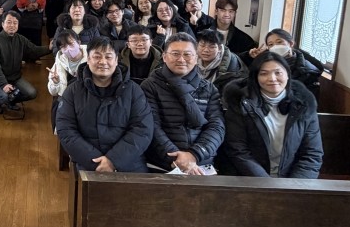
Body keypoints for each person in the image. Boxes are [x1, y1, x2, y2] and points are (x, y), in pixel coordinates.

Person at [56, 37, 154, 173]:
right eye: (97, 57)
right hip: (89, 162)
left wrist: (113, 160)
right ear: (88, 60)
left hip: (129, 161)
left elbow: (143, 130)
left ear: (116, 60)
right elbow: (66, 130)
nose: (103, 62)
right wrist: (96, 162)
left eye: (108, 57)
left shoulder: (133, 90)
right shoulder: (73, 91)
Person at [223, 52, 323, 178]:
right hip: (252, 179)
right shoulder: (240, 103)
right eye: (264, 73)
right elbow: (238, 151)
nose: (272, 78)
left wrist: (295, 187)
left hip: (292, 181)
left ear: (288, 75)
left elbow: (312, 154)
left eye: (278, 72)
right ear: (255, 77)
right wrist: (267, 185)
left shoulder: (304, 104)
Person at [141, 33, 225, 173]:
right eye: (175, 54)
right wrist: (178, 159)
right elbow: (152, 126)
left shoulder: (208, 88)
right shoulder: (150, 86)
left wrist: (194, 154)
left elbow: (217, 127)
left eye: (187, 54)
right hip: (162, 163)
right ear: (164, 56)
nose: (181, 59)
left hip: (201, 162)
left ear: (196, 57)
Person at [0, 11, 51, 118]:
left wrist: (49, 48)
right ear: (2, 24)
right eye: (9, 22)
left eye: (15, 23)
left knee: (32, 93)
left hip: (15, 77)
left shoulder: (20, 39)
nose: (12, 25)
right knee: (4, 95)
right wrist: (4, 84)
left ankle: (10, 101)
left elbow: (34, 50)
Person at [243, 28, 324, 98]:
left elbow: (308, 102)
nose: (275, 46)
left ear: (291, 44)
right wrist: (251, 56)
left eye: (279, 42)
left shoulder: (308, 71)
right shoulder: (264, 64)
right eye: (271, 44)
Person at [46, 30, 87, 131]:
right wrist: (56, 82)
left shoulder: (92, 57)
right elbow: (53, 92)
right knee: (57, 106)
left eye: (71, 44)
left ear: (79, 42)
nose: (68, 49)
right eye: (63, 46)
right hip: (68, 95)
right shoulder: (59, 61)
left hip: (87, 95)